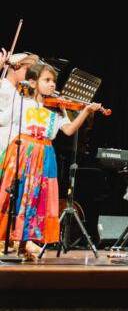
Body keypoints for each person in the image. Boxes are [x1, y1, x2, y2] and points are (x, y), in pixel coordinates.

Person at [0, 62, 100, 260]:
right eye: (47, 80)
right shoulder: (21, 101)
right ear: (32, 82)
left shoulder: (55, 110)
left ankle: (27, 240)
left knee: (37, 198)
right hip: (23, 151)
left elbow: (69, 130)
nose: (52, 84)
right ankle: (11, 238)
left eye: (53, 81)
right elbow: (4, 119)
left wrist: (85, 111)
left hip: (44, 155)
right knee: (16, 196)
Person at [0, 50, 39, 156]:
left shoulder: (20, 93)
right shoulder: (3, 86)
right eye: (27, 69)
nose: (30, 74)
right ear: (16, 66)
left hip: (11, 147)